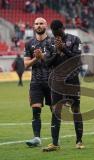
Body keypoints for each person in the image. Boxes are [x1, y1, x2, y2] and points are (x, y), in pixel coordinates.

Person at [42, 20, 84, 152]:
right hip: (56, 81)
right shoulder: (49, 42)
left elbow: (78, 60)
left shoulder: (75, 39)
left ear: (63, 28)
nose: (56, 35)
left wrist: (64, 49)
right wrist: (56, 52)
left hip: (72, 79)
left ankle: (79, 141)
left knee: (75, 109)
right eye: (54, 33)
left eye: (58, 31)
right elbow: (47, 63)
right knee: (56, 110)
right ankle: (55, 143)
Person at [24, 17, 51, 147]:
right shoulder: (29, 43)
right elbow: (26, 64)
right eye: (36, 24)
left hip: (51, 82)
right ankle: (36, 138)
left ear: (46, 25)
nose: (39, 25)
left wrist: (43, 57)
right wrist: (36, 58)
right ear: (33, 26)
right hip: (35, 82)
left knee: (55, 110)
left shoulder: (52, 42)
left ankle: (55, 139)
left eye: (41, 23)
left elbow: (56, 62)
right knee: (35, 110)